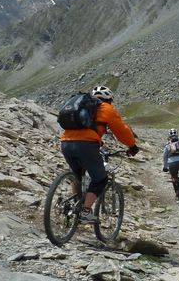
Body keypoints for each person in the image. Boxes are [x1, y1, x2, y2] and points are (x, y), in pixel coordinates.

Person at [60, 85, 139, 222]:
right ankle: (85, 212)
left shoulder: (80, 105)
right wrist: (132, 145)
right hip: (86, 145)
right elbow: (122, 130)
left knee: (78, 174)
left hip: (65, 143)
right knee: (101, 180)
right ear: (108, 99)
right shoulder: (106, 108)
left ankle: (74, 205)